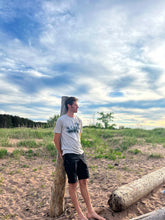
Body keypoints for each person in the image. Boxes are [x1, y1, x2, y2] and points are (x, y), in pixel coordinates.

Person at [54, 97, 106, 220]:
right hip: (69, 155)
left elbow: (79, 136)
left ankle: (90, 212)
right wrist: (61, 152)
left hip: (80, 153)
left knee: (84, 182)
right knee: (73, 184)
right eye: (75, 105)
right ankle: (80, 214)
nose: (78, 107)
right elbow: (56, 139)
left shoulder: (79, 120)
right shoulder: (61, 120)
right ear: (69, 106)